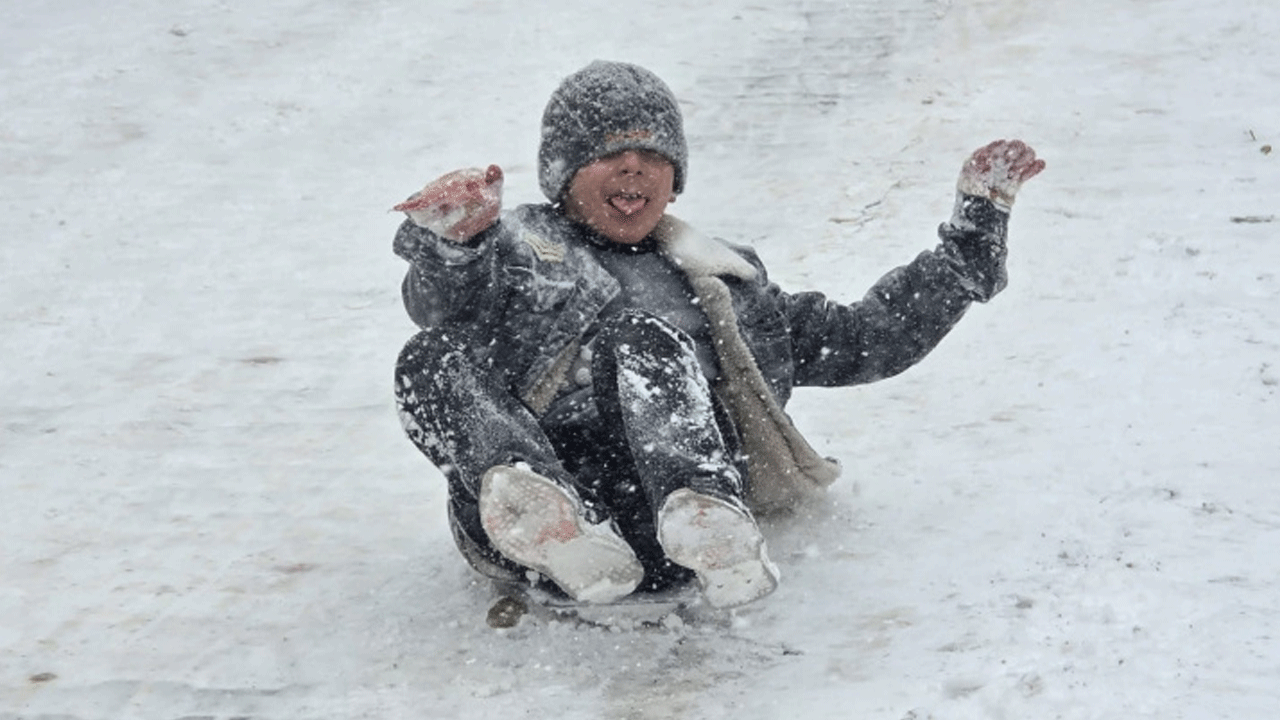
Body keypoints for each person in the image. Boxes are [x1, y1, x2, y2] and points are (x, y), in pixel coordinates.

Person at [391, 60, 1044, 609]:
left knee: (640, 338)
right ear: (563, 178)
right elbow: (444, 306)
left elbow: (866, 337)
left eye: (653, 155)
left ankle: (703, 511)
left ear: (675, 181)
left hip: (667, 517)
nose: (634, 169)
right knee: (431, 356)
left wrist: (971, 244)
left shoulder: (727, 284)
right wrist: (458, 245)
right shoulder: (511, 254)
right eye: (609, 154)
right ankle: (543, 513)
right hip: (540, 505)